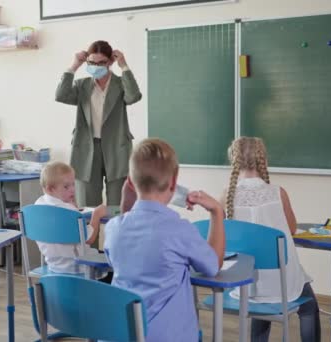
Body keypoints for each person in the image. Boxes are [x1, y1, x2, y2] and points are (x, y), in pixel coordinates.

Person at [104, 138, 225, 341]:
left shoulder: (113, 228)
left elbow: (120, 259)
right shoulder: (180, 230)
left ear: (131, 182)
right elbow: (213, 266)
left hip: (123, 333)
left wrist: (126, 201)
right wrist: (217, 213)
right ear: (173, 182)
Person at [224, 136, 320, 342]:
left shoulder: (226, 196)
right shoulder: (278, 193)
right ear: (263, 160)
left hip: (246, 283)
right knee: (310, 308)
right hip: (281, 281)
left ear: (234, 161)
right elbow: (292, 229)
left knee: (261, 304)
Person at [56, 40, 142, 207]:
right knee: (87, 207)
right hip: (86, 149)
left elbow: (133, 96)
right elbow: (61, 95)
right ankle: (92, 234)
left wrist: (124, 66)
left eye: (101, 62)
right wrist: (74, 65)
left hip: (117, 148)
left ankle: (115, 233)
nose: (96, 66)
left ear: (110, 62)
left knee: (118, 207)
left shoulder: (120, 83)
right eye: (92, 62)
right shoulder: (82, 86)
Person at [35, 161, 106, 274]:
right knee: (113, 258)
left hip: (54, 267)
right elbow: (89, 239)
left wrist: (72, 208)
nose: (72, 189)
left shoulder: (38, 205)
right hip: (79, 267)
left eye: (73, 184)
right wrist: (96, 215)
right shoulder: (68, 211)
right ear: (50, 189)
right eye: (66, 186)